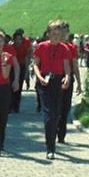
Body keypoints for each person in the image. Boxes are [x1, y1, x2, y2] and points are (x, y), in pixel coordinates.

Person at [33, 20, 72, 160]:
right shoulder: (41, 47)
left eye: (58, 34)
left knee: (56, 115)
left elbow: (67, 67)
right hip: (44, 82)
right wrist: (39, 77)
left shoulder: (64, 48)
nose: (56, 36)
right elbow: (36, 65)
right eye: (53, 33)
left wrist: (67, 77)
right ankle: (51, 148)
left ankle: (51, 138)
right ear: (48, 34)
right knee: (49, 114)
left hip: (57, 81)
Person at [57, 24, 81, 146]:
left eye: (65, 33)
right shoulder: (51, 46)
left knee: (65, 107)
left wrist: (79, 83)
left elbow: (75, 66)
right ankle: (53, 130)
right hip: (54, 78)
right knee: (55, 107)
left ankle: (61, 134)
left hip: (68, 78)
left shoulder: (71, 47)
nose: (63, 35)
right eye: (61, 32)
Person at [11, 28, 32, 113]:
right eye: (16, 39)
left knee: (19, 87)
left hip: (22, 66)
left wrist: (27, 70)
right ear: (14, 39)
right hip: (12, 67)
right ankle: (10, 105)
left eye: (20, 39)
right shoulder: (11, 47)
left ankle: (16, 106)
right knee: (11, 86)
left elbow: (27, 58)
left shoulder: (24, 47)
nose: (18, 41)